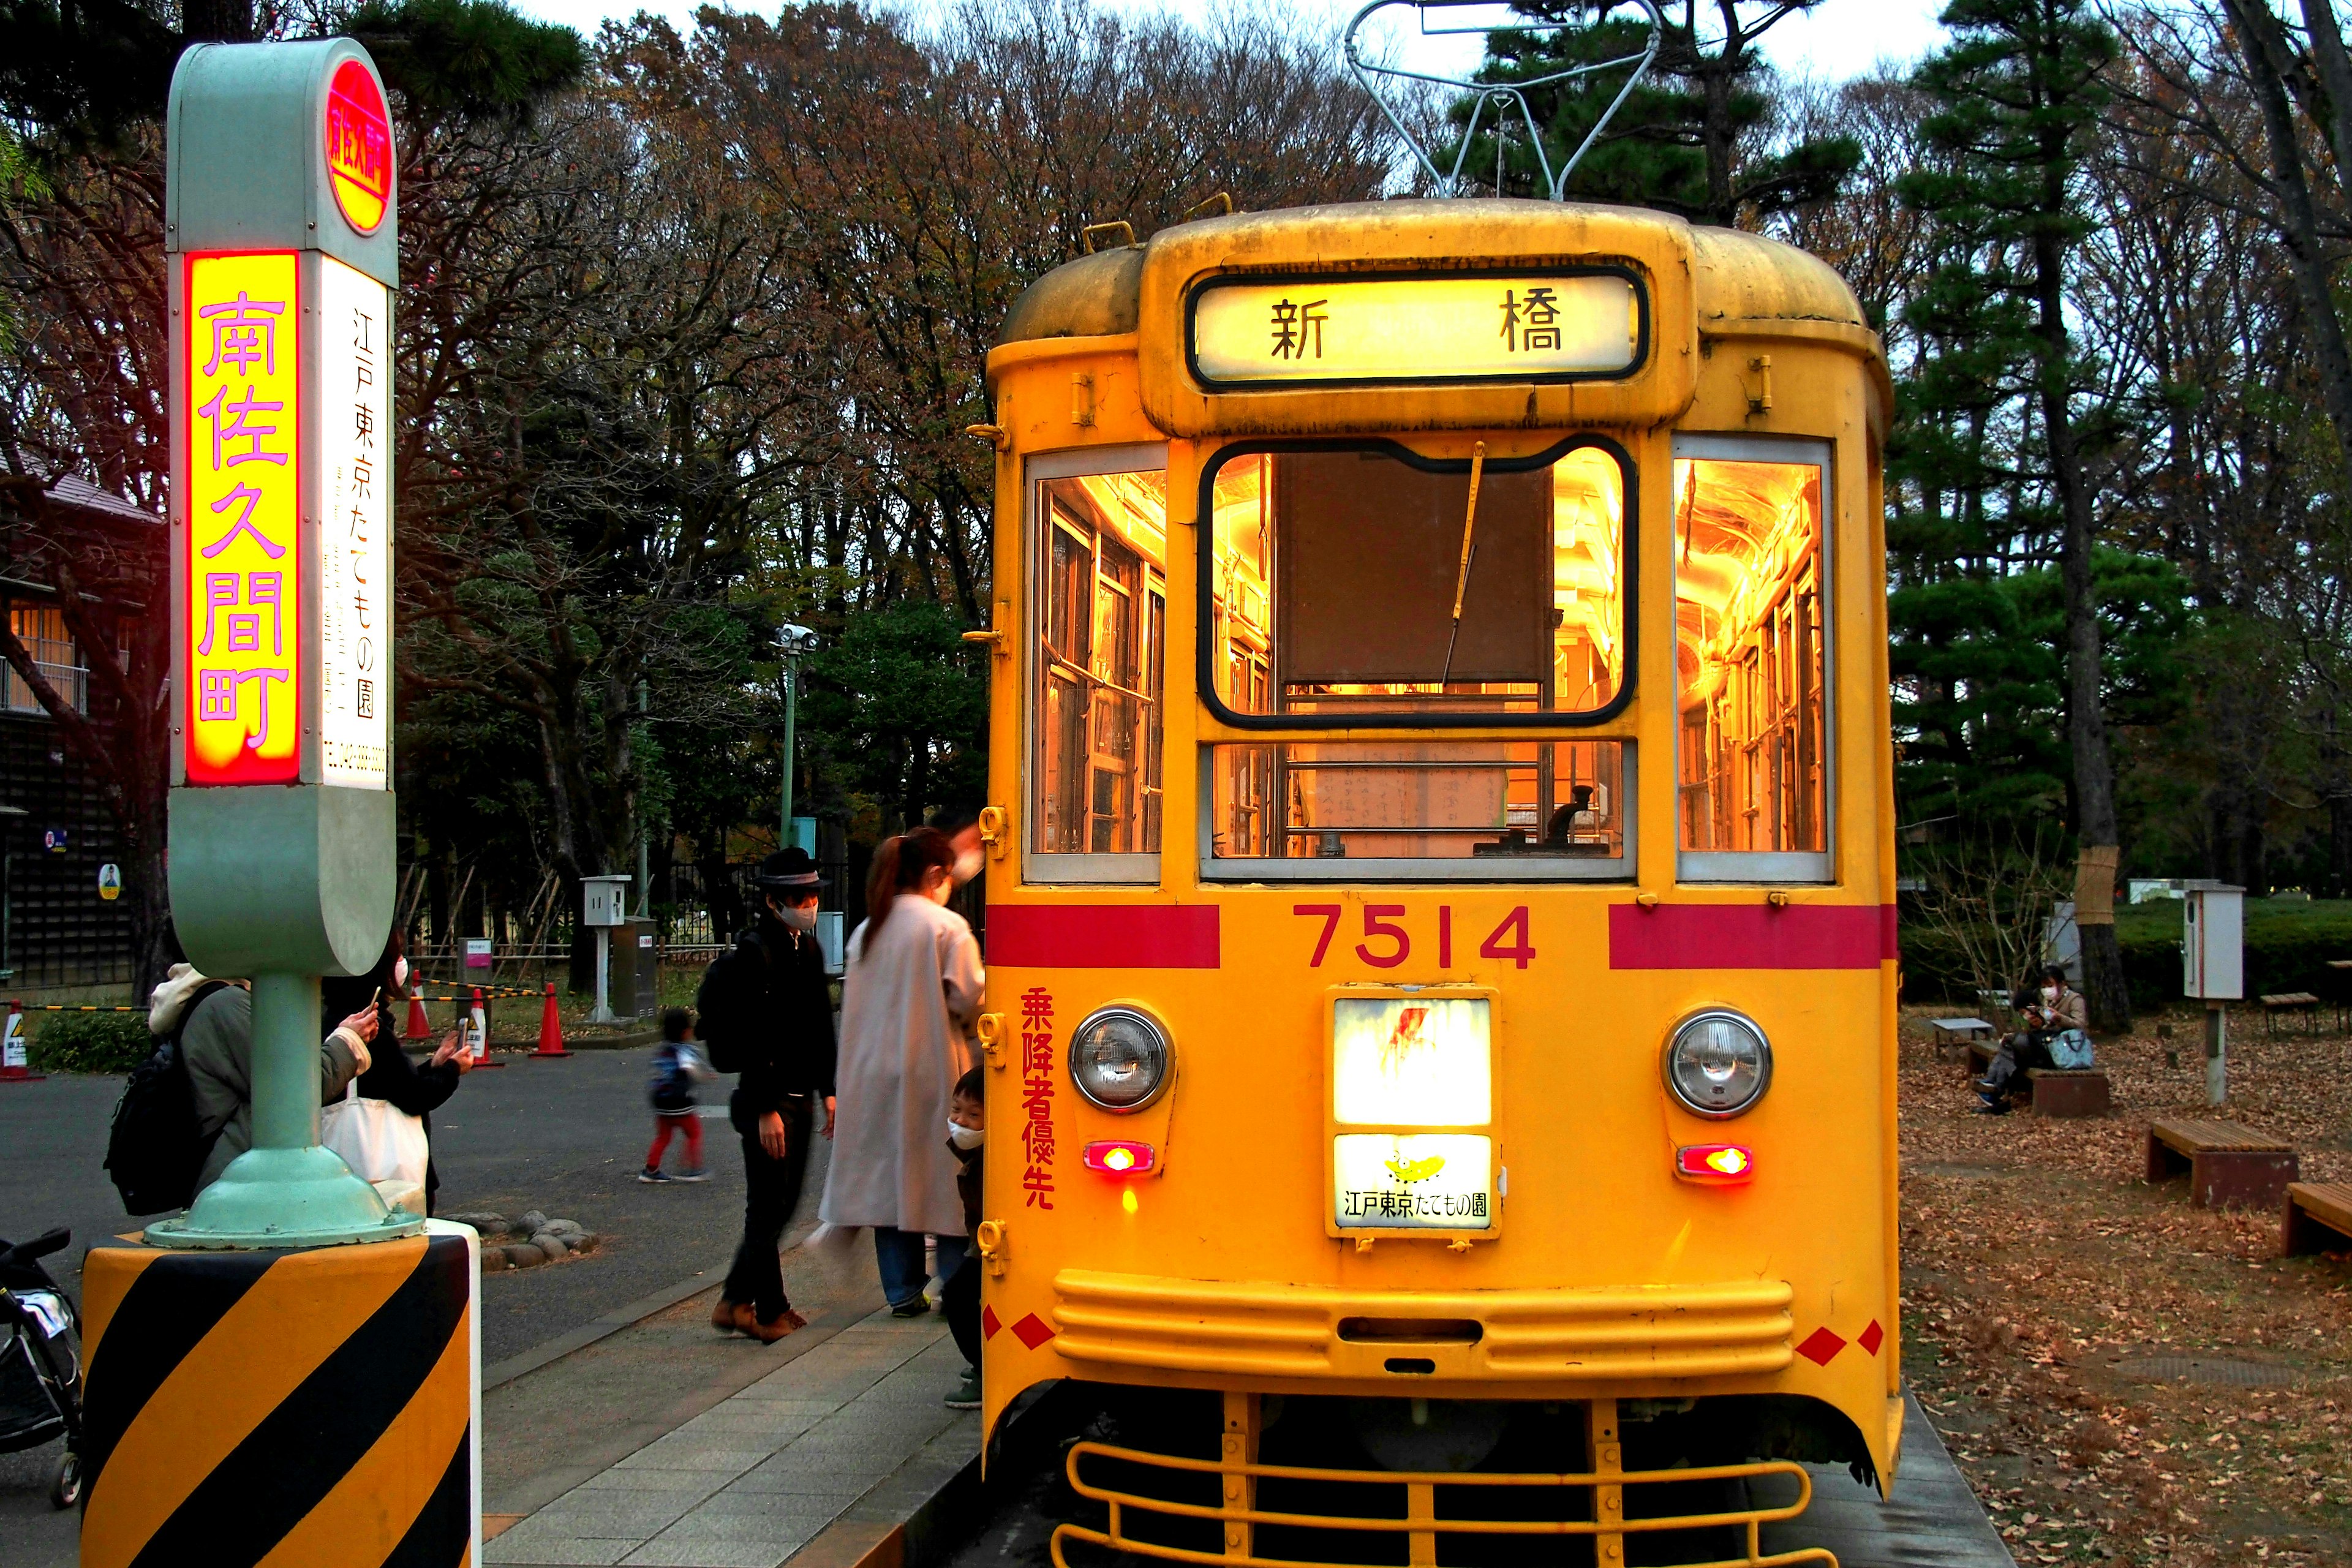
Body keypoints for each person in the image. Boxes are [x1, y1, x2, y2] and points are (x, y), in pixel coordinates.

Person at [820, 827, 984, 1316]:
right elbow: (971, 998)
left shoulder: (867, 930)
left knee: (888, 1185)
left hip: (870, 1077)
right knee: (948, 1183)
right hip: (932, 1072)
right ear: (937, 875)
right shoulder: (945, 927)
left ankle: (901, 1292)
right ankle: (956, 1290)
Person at [703, 846, 838, 1344]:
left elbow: (821, 1025)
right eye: (798, 897)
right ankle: (769, 1309)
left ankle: (735, 1300)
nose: (808, 904)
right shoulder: (754, 953)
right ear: (771, 900)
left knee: (781, 1206)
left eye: (812, 895)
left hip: (800, 1094)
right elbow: (750, 1036)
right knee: (767, 1206)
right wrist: (765, 1108)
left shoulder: (808, 948)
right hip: (768, 1099)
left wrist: (830, 1090)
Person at [159, 965, 379, 1193]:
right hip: (238, 1176)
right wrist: (348, 1041)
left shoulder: (207, 998)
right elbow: (296, 1086)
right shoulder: (226, 1004)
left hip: (232, 1170)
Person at [323, 930, 472, 1213]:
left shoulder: (333, 1016)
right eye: (398, 955)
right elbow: (412, 1096)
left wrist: (434, 1066)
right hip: (382, 1178)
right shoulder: (369, 1027)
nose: (403, 963)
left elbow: (387, 1084)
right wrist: (452, 1070)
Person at [1975, 965, 2088, 1113]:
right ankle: (1994, 1088)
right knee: (2009, 1043)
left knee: (2015, 1045)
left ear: (2062, 984)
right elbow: (2046, 1029)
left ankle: (1994, 1088)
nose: (2047, 989)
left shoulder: (2075, 999)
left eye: (2050, 985)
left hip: (2063, 1053)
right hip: (2047, 1045)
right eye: (2044, 986)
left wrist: (2059, 1017)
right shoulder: (2049, 1002)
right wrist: (2038, 1023)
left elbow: (2080, 1026)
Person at [941, 1065, 986, 1409]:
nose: (961, 1121)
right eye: (957, 1110)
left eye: (974, 1114)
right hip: (982, 1243)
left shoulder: (996, 1158)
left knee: (958, 1297)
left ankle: (985, 1370)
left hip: (991, 1247)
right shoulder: (978, 1154)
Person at [642, 1006, 712, 1183]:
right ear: (685, 1031)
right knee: (694, 1132)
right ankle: (693, 1168)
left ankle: (651, 1169)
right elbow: (690, 1069)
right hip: (680, 1102)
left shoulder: (663, 1051)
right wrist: (704, 1076)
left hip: (661, 1101)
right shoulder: (684, 1051)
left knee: (663, 1137)